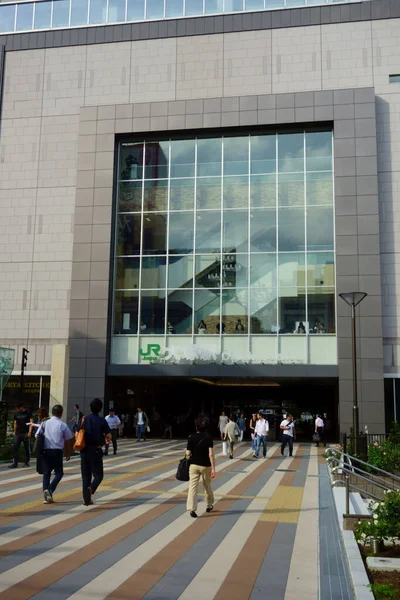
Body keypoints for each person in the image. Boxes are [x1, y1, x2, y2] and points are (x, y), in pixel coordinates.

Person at [36, 404, 73, 504]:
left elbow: (37, 435)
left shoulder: (44, 423)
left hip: (45, 451)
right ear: (61, 414)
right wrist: (68, 453)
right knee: (59, 473)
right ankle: (50, 489)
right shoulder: (62, 425)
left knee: (46, 473)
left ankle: (46, 497)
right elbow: (68, 440)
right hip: (57, 452)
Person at [79, 398, 111, 506]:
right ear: (100, 409)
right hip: (96, 450)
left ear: (90, 408)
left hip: (84, 450)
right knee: (98, 475)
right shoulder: (102, 420)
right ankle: (91, 488)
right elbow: (108, 435)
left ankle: (86, 500)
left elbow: (79, 432)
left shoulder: (84, 419)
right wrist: (107, 440)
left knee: (85, 477)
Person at [186, 417, 215, 518]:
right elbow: (211, 454)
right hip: (205, 466)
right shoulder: (208, 438)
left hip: (193, 465)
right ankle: (209, 504)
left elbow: (188, 453)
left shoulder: (191, 437)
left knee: (192, 487)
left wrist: (187, 460)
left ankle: (192, 509)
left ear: (196, 427)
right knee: (207, 485)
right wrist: (213, 468)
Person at [9, 403, 32, 468]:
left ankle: (27, 462)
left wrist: (30, 432)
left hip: (25, 433)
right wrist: (14, 431)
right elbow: (15, 423)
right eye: (16, 408)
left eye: (18, 408)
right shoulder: (16, 414)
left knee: (27, 448)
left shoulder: (27, 413)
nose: (17, 409)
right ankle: (14, 463)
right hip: (18, 433)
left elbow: (31, 423)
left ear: (22, 407)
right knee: (15, 448)